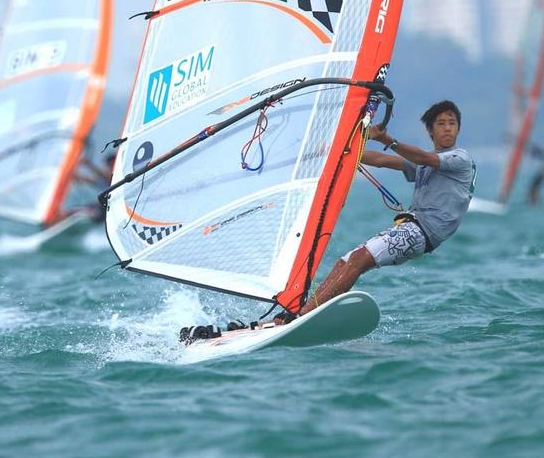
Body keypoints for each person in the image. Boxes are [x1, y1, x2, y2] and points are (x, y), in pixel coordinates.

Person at [181, 101, 476, 343]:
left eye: (452, 123)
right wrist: (338, 150)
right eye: (441, 123)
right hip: (411, 228)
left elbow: (424, 158)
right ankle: (296, 316)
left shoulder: (459, 158)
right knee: (344, 261)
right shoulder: (423, 160)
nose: (447, 128)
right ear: (430, 130)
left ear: (459, 129)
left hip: (421, 232)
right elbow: (383, 160)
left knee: (359, 260)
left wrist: (387, 138)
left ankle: (302, 315)